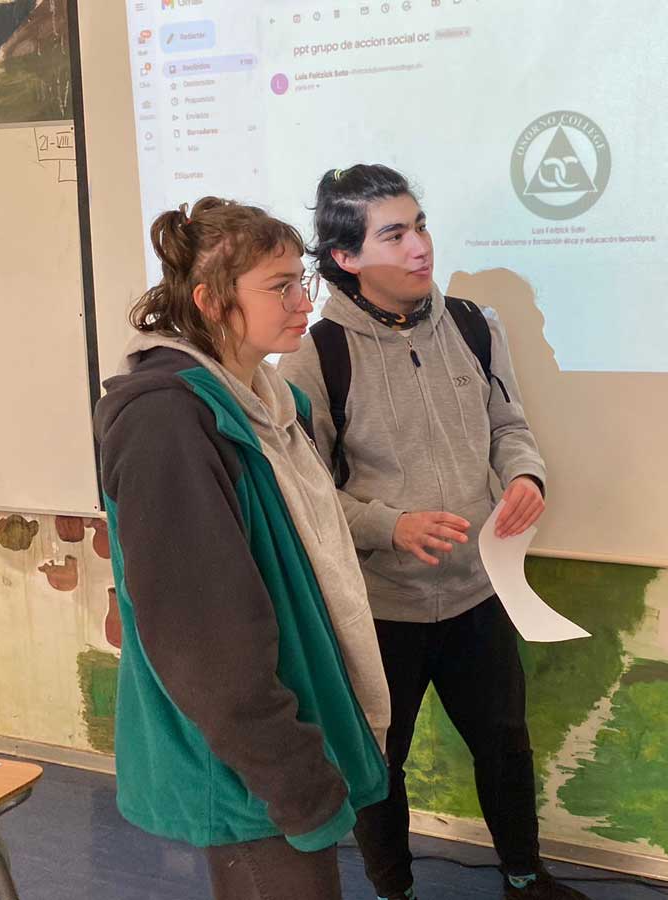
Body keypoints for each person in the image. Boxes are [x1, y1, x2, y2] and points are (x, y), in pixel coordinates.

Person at [279, 165, 587, 900]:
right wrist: (390, 526)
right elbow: (307, 497)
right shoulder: (315, 356)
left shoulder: (475, 326)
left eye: (420, 225)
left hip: (479, 592)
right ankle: (396, 891)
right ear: (346, 257)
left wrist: (525, 476)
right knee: (380, 765)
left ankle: (525, 878)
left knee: (505, 746)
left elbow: (509, 426)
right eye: (394, 234)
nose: (420, 246)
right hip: (382, 608)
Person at [95, 197, 394, 900]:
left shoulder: (271, 403)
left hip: (275, 740)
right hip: (245, 765)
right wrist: (292, 777)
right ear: (210, 300)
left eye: (302, 282)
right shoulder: (168, 422)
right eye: (280, 287)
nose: (304, 302)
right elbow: (201, 636)